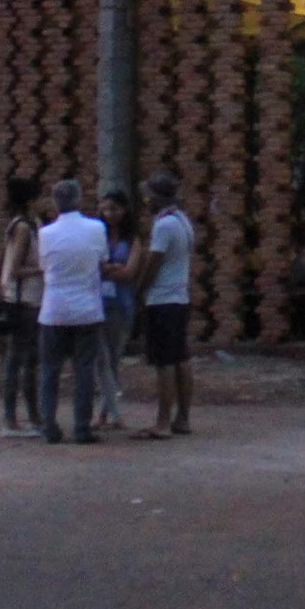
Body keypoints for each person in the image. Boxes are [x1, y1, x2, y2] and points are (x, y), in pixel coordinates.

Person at [35, 180, 108, 444]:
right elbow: (102, 261)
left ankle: (49, 426)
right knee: (85, 370)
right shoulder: (97, 228)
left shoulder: (46, 234)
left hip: (54, 309)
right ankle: (82, 427)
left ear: (56, 202)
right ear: (79, 198)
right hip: (87, 309)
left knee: (50, 370)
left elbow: (45, 267)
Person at [129, 171, 195, 438]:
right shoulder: (183, 221)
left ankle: (163, 422)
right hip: (180, 297)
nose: (145, 201)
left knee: (164, 362)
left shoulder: (163, 226)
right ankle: (182, 418)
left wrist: (139, 291)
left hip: (162, 299)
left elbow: (153, 263)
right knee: (181, 358)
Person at [0, 178, 46, 437]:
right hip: (24, 300)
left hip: (32, 299)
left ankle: (32, 416)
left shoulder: (29, 225)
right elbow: (15, 269)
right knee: (18, 360)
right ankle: (11, 419)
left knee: (29, 360)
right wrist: (43, 269)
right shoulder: (24, 228)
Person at [93, 189, 138, 431]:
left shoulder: (132, 239)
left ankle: (104, 412)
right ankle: (113, 412)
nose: (110, 213)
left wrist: (108, 269)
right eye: (106, 209)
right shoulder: (96, 235)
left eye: (114, 208)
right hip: (98, 304)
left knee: (114, 358)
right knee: (102, 360)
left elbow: (130, 271)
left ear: (124, 209)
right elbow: (92, 268)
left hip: (121, 304)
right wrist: (113, 269)